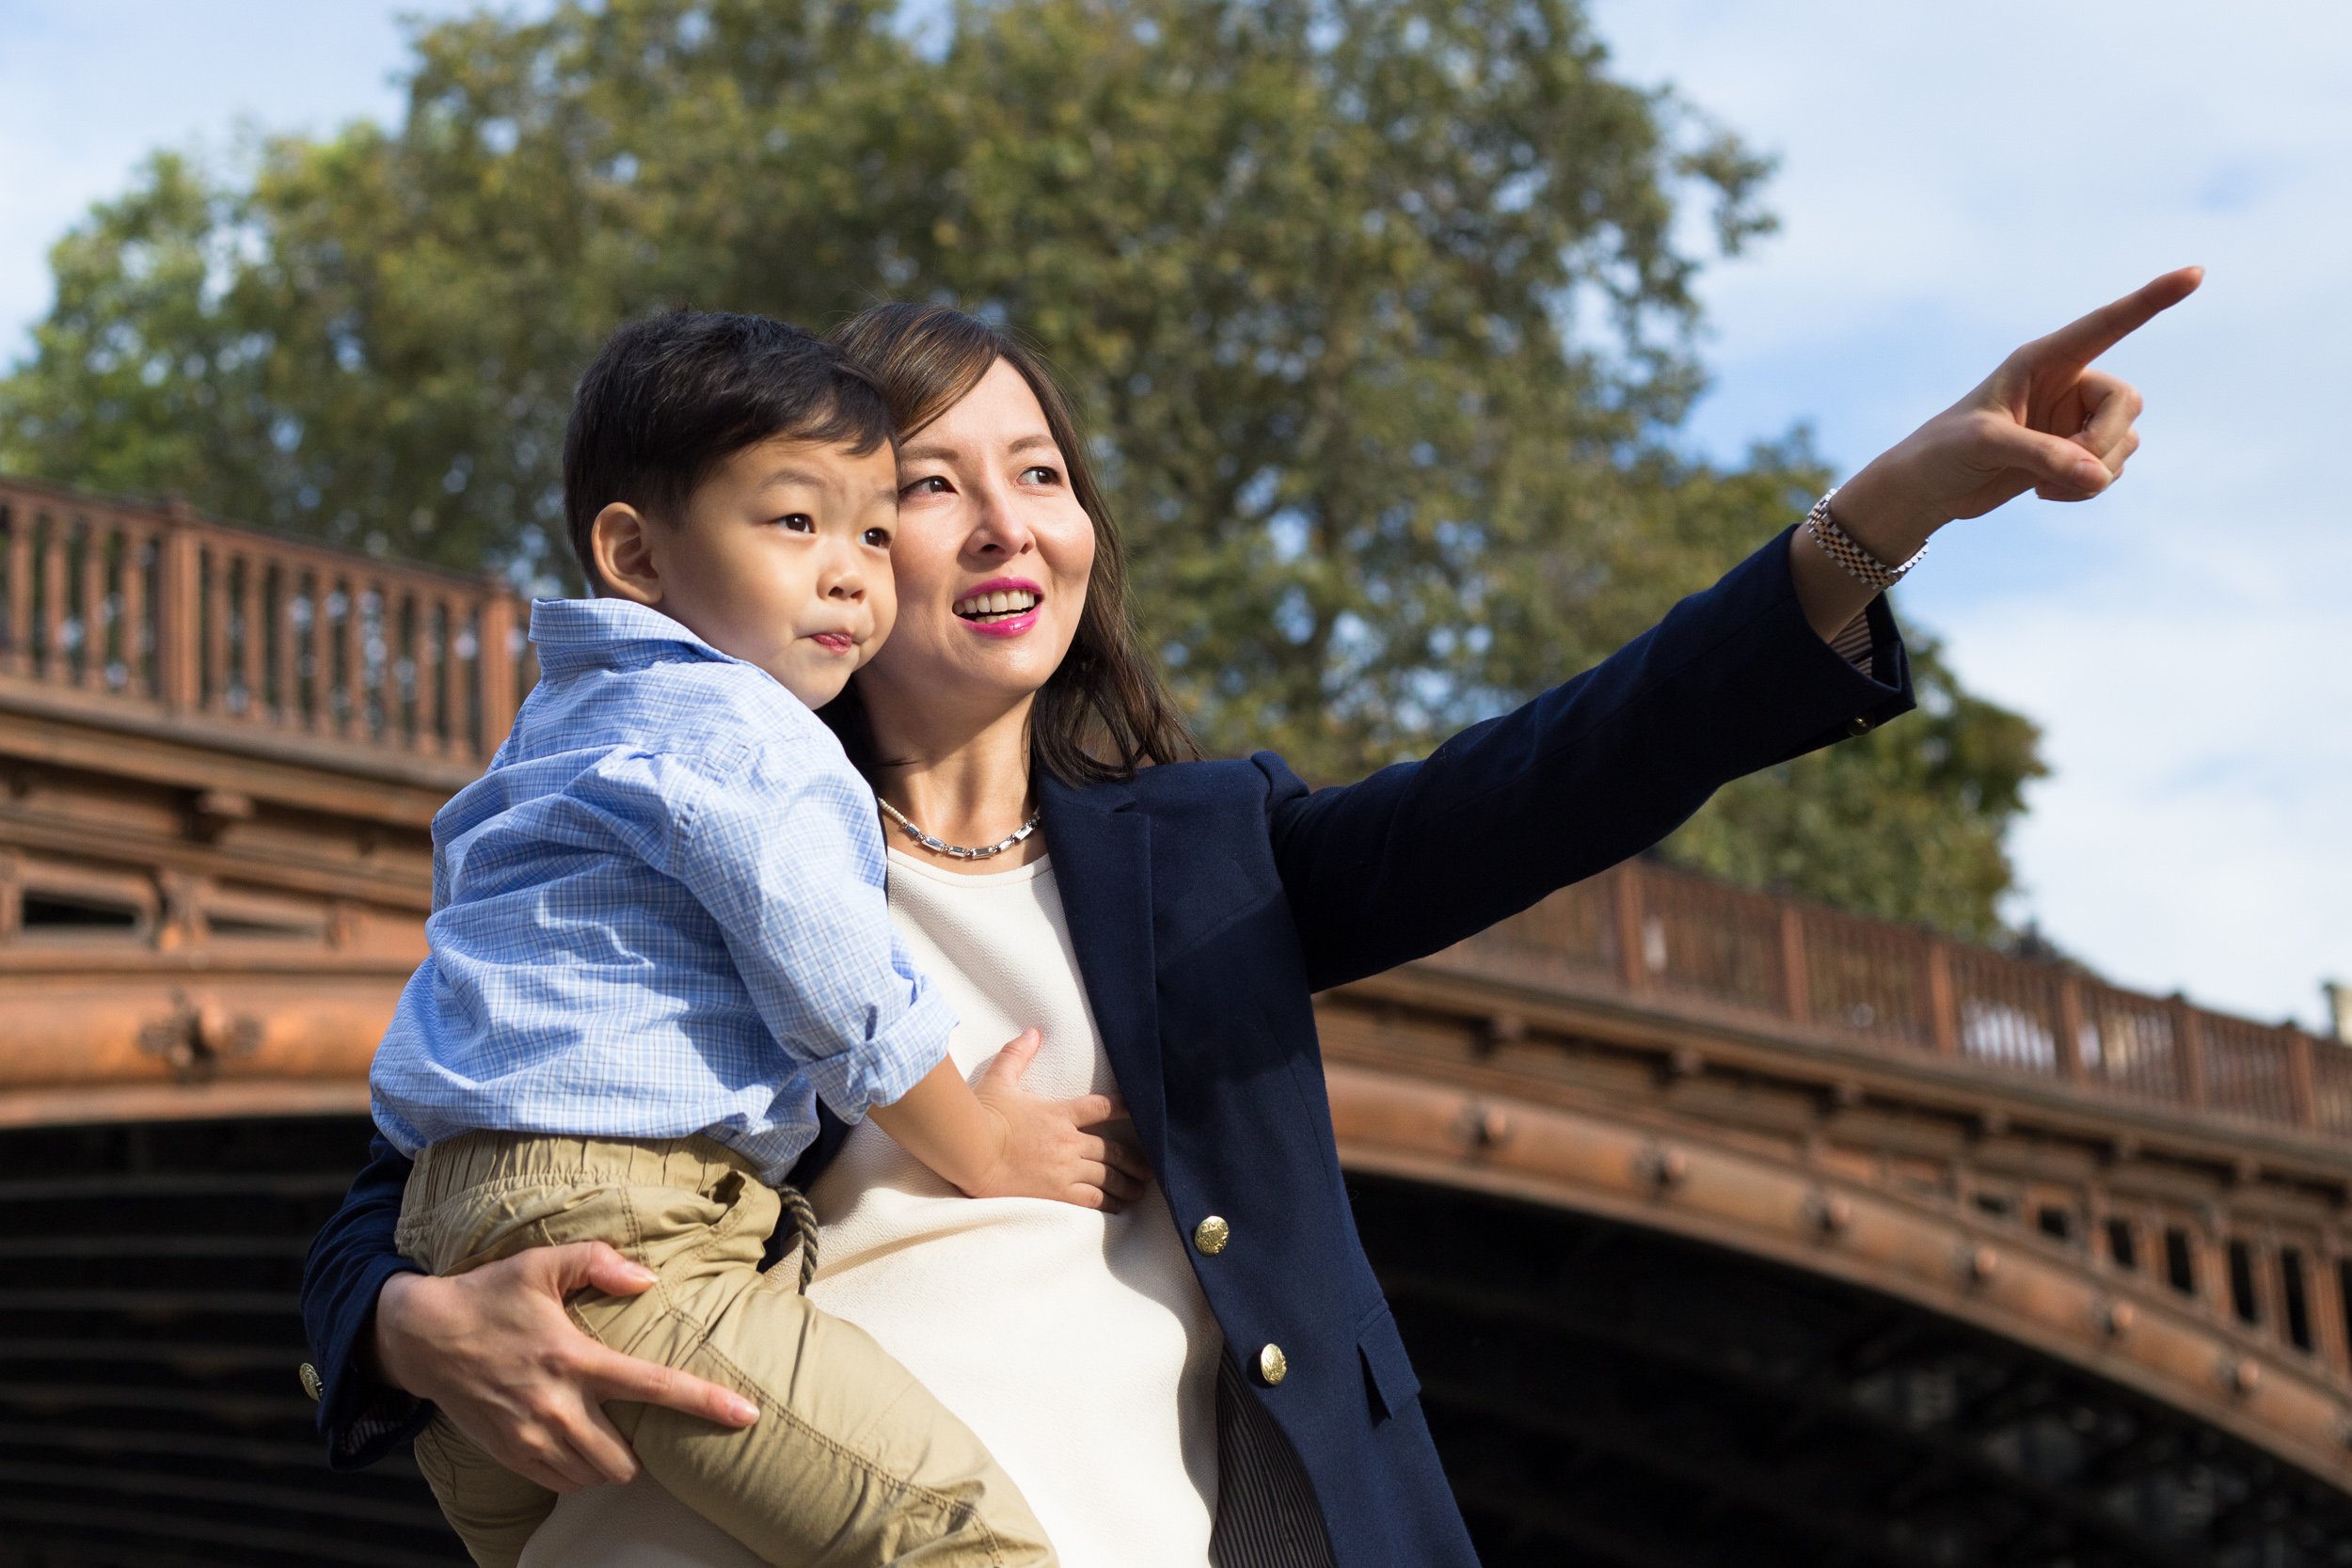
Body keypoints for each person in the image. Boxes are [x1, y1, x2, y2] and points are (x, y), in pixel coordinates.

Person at [303, 269, 2200, 1567]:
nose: (999, 528)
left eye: (1036, 476)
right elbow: (430, 1181)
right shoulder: (682, 836)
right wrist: (402, 1329)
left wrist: (1878, 517)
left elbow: (1570, 767)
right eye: (916, 493)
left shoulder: (1208, 868)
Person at [365, 309, 1147, 1567]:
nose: (851, 571)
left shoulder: (566, 722)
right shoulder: (743, 736)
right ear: (637, 554)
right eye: (798, 523)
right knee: (954, 1536)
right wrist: (988, 1145)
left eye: (874, 533)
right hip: (641, 1233)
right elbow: (842, 1000)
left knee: (544, 1542)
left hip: (464, 1212)